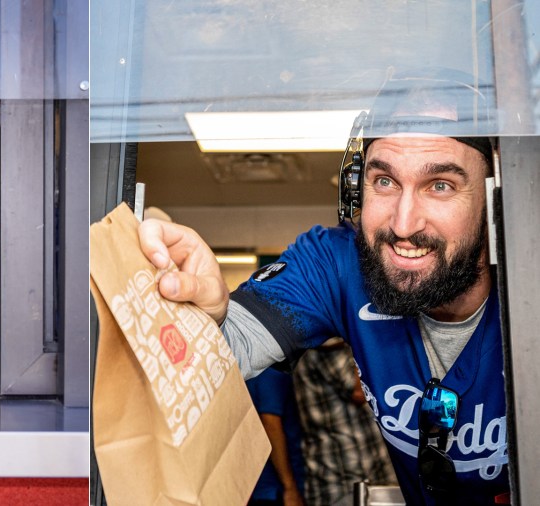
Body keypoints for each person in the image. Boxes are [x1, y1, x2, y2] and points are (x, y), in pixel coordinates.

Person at [137, 68, 509, 505]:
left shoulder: (528, 281)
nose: (404, 224)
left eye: (440, 185)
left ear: (493, 198)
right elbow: (214, 355)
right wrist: (194, 306)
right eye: (384, 181)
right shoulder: (339, 263)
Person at [292, 338, 396, 506]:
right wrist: (362, 337)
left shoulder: (340, 346)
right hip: (341, 475)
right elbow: (358, 392)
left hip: (369, 470)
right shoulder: (323, 348)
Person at [247, 367, 306, 506]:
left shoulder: (254, 371)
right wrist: (290, 487)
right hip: (274, 488)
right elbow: (271, 426)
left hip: (264, 486)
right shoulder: (270, 374)